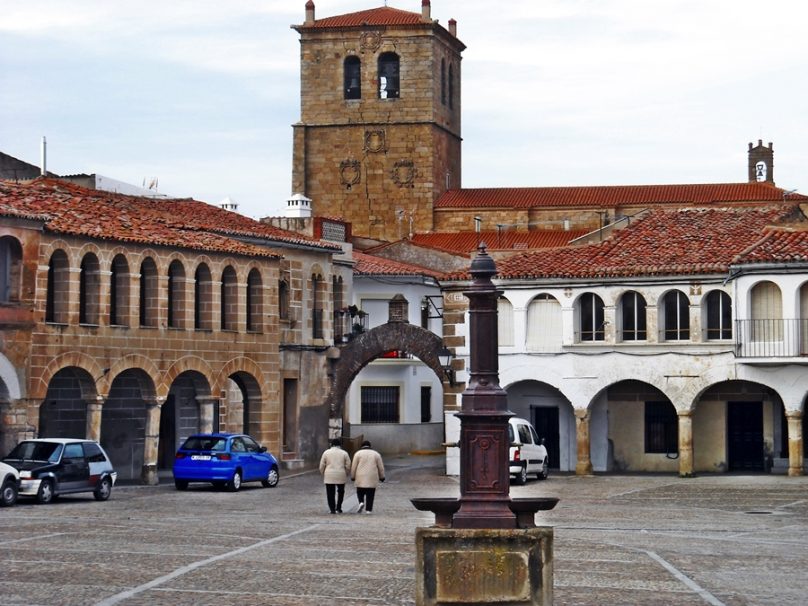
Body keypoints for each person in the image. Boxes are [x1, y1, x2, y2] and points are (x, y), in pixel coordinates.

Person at [350, 440, 385, 514]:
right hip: (372, 476)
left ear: (362, 446)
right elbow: (380, 467)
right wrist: (382, 476)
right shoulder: (376, 454)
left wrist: (353, 476)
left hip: (360, 475)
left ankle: (361, 502)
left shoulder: (358, 454)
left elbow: (354, 466)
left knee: (360, 491)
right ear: (370, 446)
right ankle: (368, 509)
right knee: (370, 493)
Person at [319, 438, 351, 514]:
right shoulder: (344, 453)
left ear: (331, 445)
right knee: (341, 491)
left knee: (330, 493)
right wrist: (346, 473)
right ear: (339, 445)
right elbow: (348, 465)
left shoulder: (326, 452)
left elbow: (322, 465)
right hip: (341, 474)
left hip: (329, 474)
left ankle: (332, 509)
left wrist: (323, 473)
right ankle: (339, 507)